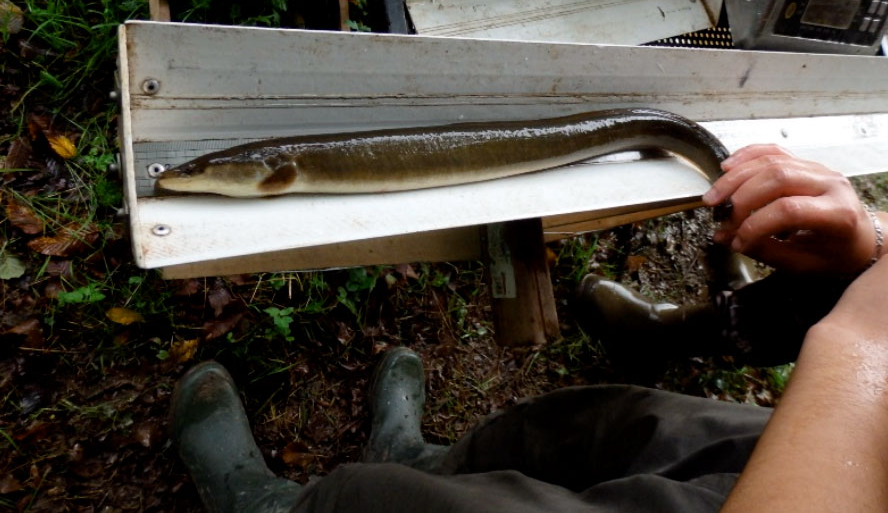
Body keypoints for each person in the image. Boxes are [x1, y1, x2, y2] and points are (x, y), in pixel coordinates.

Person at [170, 144, 888, 512]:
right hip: (825, 427)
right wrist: (863, 263)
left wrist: (859, 350)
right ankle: (423, 462)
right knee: (599, 429)